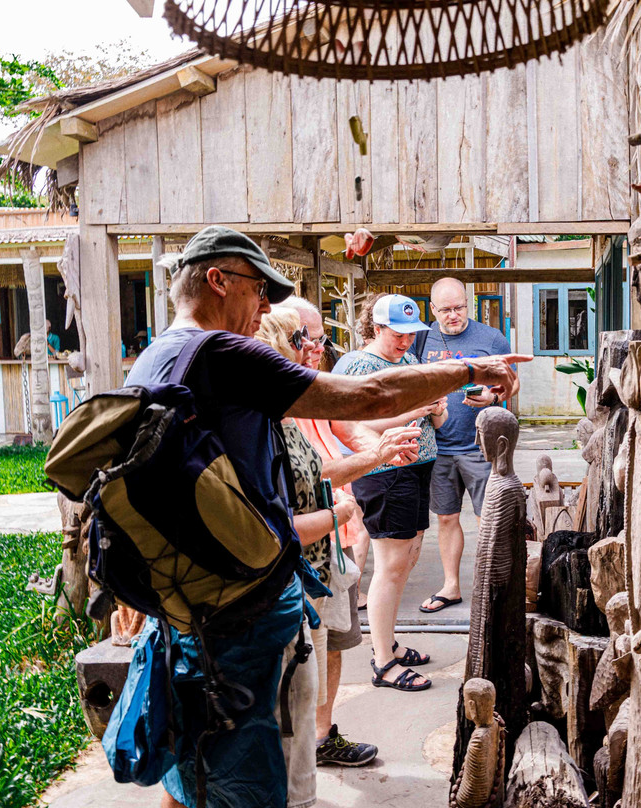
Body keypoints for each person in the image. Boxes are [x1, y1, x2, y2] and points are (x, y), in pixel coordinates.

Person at [121, 226, 526, 808]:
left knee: (190, 773)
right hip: (239, 613)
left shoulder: (157, 356)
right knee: (254, 780)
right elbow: (369, 395)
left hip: (187, 605)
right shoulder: (223, 354)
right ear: (216, 280)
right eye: (259, 289)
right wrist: (471, 370)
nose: (266, 307)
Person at [272, 296, 422, 765]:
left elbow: (351, 427)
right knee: (297, 658)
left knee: (332, 640)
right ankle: (293, 751)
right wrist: (375, 457)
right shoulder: (273, 400)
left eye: (320, 338)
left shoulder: (313, 385)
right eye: (307, 339)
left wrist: (383, 444)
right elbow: (313, 473)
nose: (317, 348)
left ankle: (321, 736)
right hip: (307, 542)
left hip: (332, 542)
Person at [334, 293, 448, 692]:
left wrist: (436, 408)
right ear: (376, 327)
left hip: (418, 466)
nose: (405, 341)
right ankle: (383, 661)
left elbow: (440, 417)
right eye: (397, 334)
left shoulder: (410, 360)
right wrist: (417, 410)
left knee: (408, 557)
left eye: (411, 334)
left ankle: (389, 642)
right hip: (385, 470)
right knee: (392, 564)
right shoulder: (357, 365)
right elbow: (352, 424)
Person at [411, 278, 518, 614]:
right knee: (446, 518)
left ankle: (493, 586)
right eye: (445, 310)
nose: (453, 315)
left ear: (467, 304)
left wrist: (494, 395)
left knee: (488, 517)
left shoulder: (491, 338)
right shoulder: (420, 338)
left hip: (479, 446)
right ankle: (451, 586)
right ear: (433, 309)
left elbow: (511, 381)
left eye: (459, 308)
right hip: (437, 446)